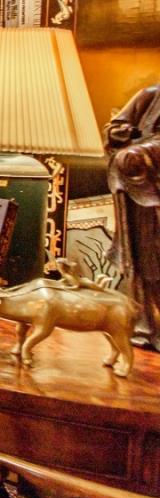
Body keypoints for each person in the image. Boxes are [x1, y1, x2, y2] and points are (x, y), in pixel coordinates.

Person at [105, 82, 160, 347]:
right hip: (142, 193)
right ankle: (145, 324)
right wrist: (124, 134)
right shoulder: (151, 95)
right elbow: (114, 130)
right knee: (143, 260)